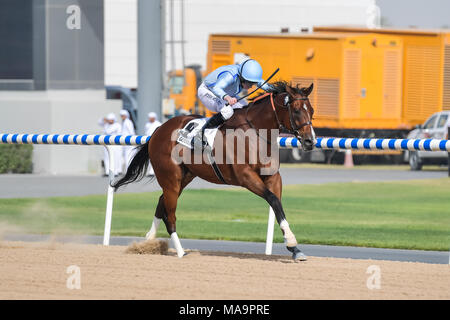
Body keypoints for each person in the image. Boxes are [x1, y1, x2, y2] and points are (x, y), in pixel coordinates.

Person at [194, 59, 272, 138]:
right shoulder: (230, 76)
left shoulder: (246, 75)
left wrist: (278, 90)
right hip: (208, 91)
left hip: (225, 93)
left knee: (245, 109)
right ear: (242, 78)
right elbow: (216, 88)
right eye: (250, 83)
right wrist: (227, 98)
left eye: (254, 83)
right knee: (227, 111)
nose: (252, 86)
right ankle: (200, 134)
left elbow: (264, 85)